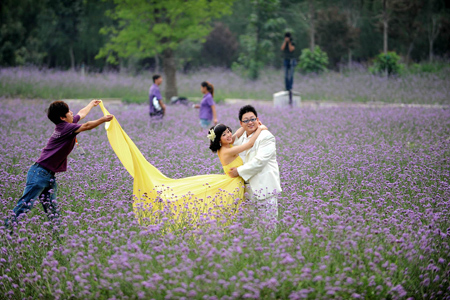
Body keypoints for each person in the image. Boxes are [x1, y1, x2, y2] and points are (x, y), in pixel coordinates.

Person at [96, 102, 267, 228]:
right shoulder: (227, 151)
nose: (229, 135)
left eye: (229, 131)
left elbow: (237, 134)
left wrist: (247, 124)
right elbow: (249, 144)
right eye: (225, 134)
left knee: (234, 210)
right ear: (219, 139)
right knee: (227, 211)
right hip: (232, 184)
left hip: (232, 181)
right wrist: (260, 128)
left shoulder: (227, 145)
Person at [5, 100, 114, 229]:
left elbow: (81, 114)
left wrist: (91, 104)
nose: (71, 112)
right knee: (24, 206)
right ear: (62, 117)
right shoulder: (66, 128)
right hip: (39, 173)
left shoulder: (67, 124)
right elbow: (87, 126)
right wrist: (103, 119)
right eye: (68, 112)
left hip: (48, 175)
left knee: (53, 212)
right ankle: (5, 232)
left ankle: (59, 240)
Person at [228, 105, 282, 226]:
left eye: (253, 119)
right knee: (251, 230)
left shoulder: (266, 136)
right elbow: (230, 140)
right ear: (241, 123)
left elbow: (260, 161)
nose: (250, 122)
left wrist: (239, 171)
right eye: (246, 120)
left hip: (264, 189)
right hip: (246, 193)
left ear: (258, 119)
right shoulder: (241, 139)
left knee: (268, 227)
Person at [281, 32, 296, 104]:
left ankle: (290, 87)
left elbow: (291, 49)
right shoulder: (284, 42)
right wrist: (285, 42)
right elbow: (282, 48)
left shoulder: (292, 42)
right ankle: (287, 87)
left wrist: (289, 42)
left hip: (292, 59)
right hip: (286, 59)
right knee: (286, 74)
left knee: (291, 74)